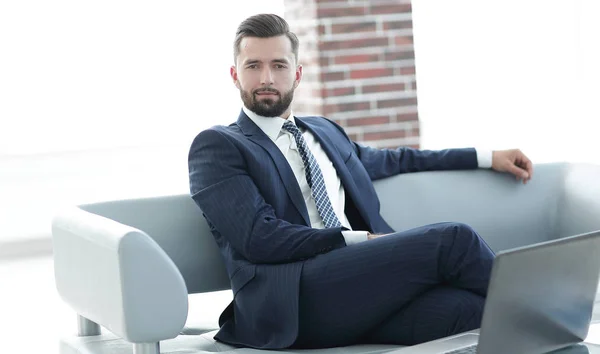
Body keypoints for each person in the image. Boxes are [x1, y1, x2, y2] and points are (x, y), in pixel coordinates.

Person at [187, 13, 533, 350]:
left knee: (469, 311)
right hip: (293, 299)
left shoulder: (323, 131)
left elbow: (395, 159)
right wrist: (357, 240)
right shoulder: (219, 146)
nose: (267, 78)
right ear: (235, 75)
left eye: (279, 65)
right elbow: (259, 237)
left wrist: (486, 157)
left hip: (359, 294)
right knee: (454, 239)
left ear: (297, 74)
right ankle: (546, 313)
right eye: (253, 66)